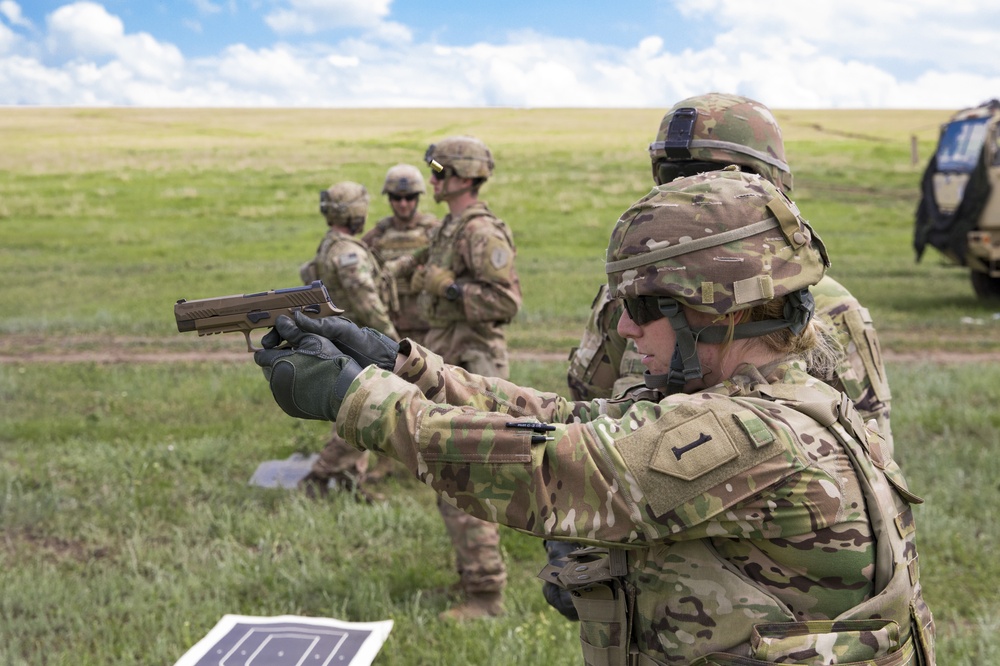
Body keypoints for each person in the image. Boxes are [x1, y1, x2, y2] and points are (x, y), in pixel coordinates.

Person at [254, 168, 936, 665]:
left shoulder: (755, 438)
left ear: (712, 311)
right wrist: (406, 365)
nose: (628, 334)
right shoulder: (779, 398)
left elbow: (547, 468)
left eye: (640, 310)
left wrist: (357, 399)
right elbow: (569, 419)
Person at [555, 92, 897, 622]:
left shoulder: (823, 309)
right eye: (677, 177)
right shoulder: (627, 297)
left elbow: (867, 461)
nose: (693, 191)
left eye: (714, 176)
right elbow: (585, 409)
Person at [394, 136, 522, 620]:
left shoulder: (481, 232)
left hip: (474, 364)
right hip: (448, 360)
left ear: (465, 178)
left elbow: (505, 303)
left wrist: (446, 286)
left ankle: (486, 597)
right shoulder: (450, 228)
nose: (433, 180)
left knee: (464, 475)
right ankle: (471, 579)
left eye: (442, 172)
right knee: (447, 473)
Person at [297, 180, 399, 502]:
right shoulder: (349, 253)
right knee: (363, 410)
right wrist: (396, 344)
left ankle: (348, 481)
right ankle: (322, 474)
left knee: (352, 406)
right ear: (356, 212)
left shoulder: (329, 245)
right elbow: (366, 301)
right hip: (359, 342)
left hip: (342, 341)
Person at [362, 164, 440, 347]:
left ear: (418, 197)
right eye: (396, 198)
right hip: (390, 328)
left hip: (429, 327)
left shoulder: (435, 233)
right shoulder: (376, 237)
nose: (403, 204)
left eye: (410, 197)